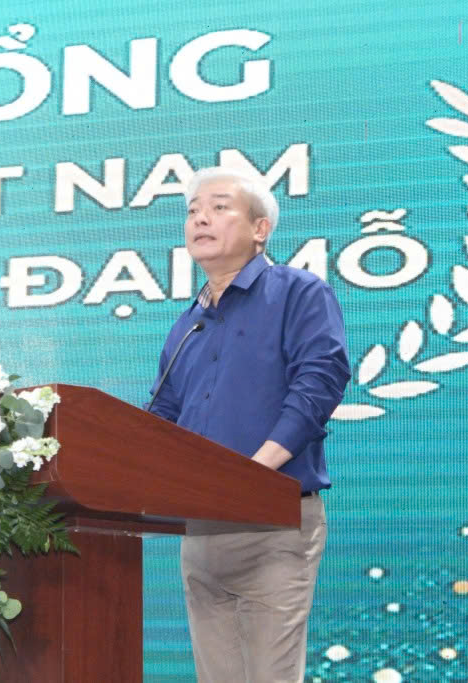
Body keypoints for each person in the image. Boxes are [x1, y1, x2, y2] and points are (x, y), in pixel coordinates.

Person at [148, 166, 351, 682]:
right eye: (193, 211)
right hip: (200, 531)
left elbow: (319, 384)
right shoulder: (187, 323)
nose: (200, 219)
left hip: (272, 522)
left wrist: (253, 474)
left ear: (261, 229)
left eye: (219, 207)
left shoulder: (299, 293)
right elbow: (162, 418)